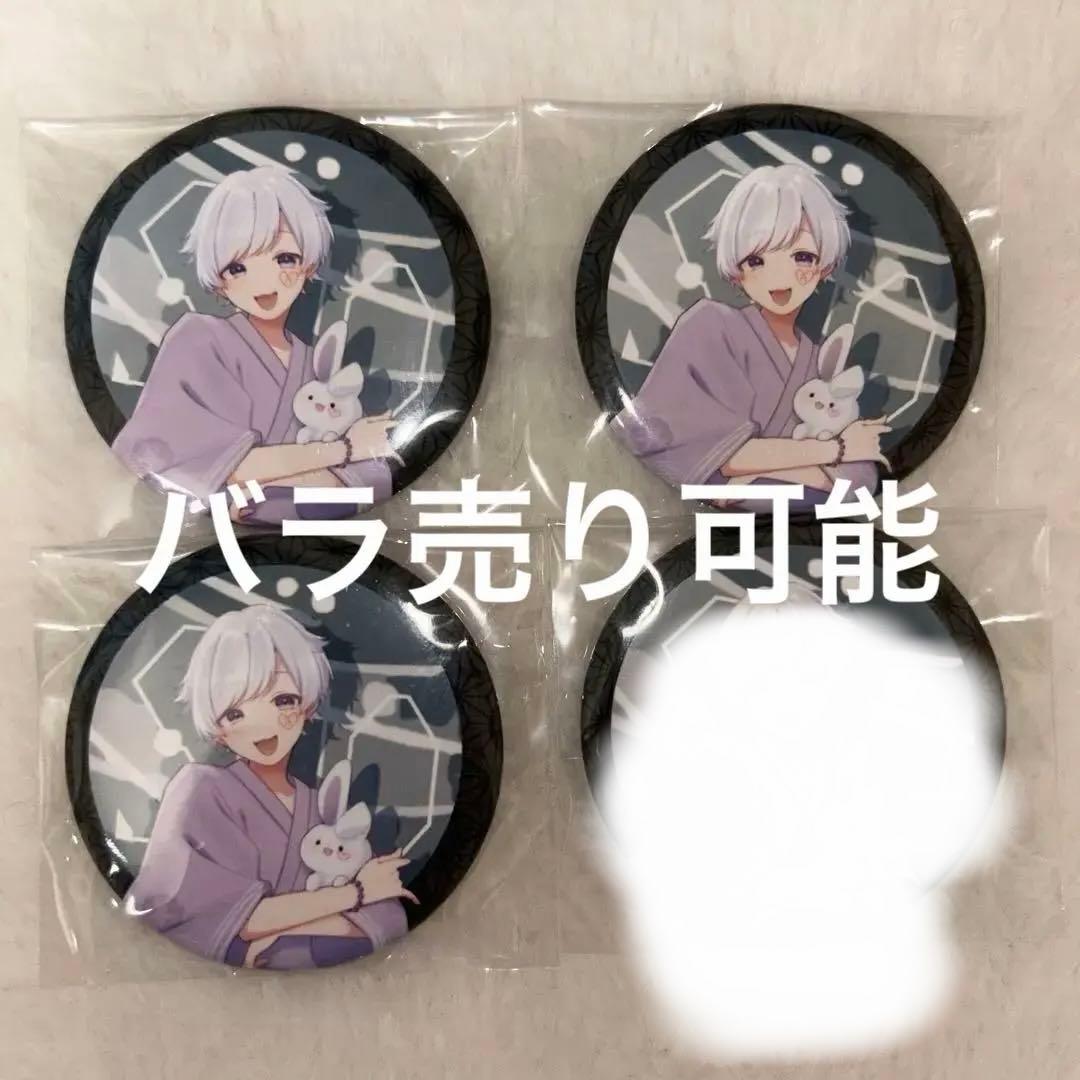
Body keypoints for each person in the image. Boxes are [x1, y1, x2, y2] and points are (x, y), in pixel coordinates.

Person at [127, 605, 413, 970]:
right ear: (218, 730)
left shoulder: (321, 805)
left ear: (308, 705)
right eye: (235, 713)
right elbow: (216, 917)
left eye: (283, 700)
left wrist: (279, 930)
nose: (262, 726)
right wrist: (355, 894)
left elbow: (386, 918)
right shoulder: (199, 789)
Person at [112, 165, 396, 524]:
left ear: (309, 265)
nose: (263, 283)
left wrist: (272, 475)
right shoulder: (197, 339)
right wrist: (344, 449)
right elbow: (197, 461)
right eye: (237, 267)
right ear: (218, 279)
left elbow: (367, 478)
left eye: (285, 259)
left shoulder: (314, 363)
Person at [611, 162, 889, 509]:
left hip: (790, 515)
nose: (779, 276)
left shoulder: (817, 360)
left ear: (826, 267)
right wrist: (833, 452)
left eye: (802, 257)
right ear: (736, 272)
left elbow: (861, 478)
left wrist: (762, 470)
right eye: (756, 260)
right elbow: (720, 457)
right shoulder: (709, 325)